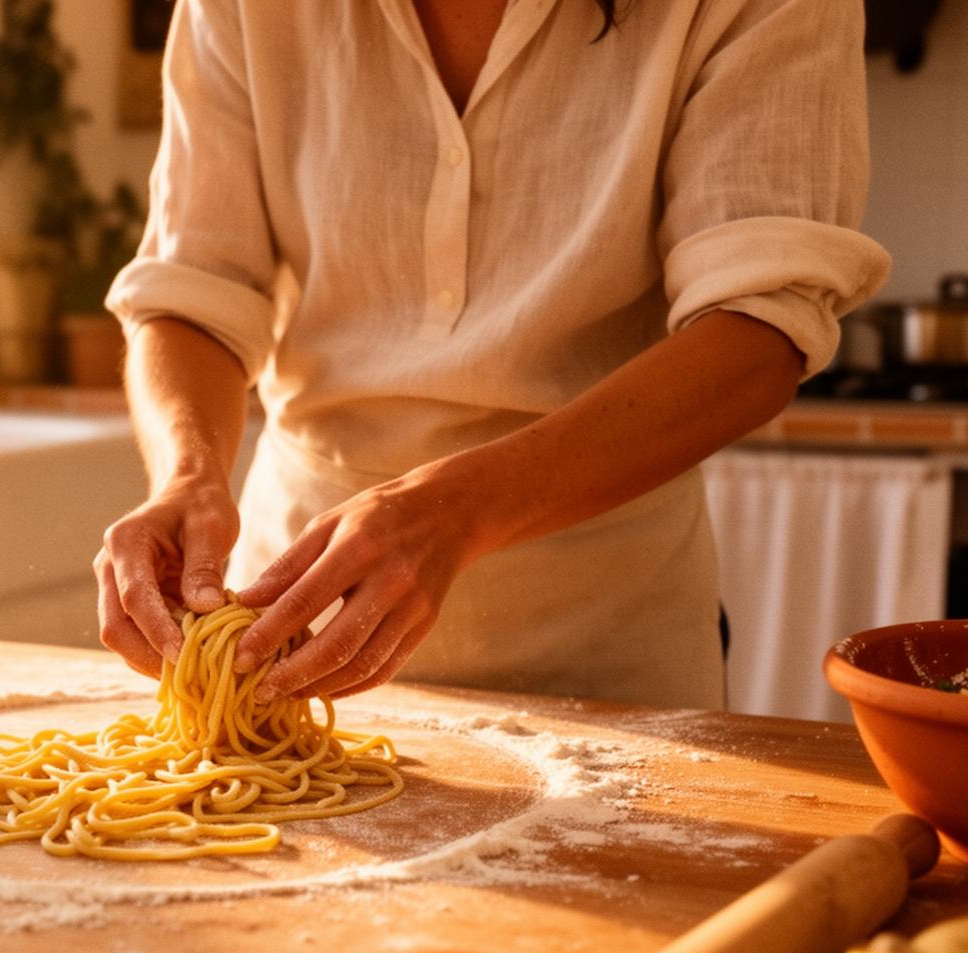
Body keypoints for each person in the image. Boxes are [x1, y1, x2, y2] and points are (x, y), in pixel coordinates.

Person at [96, 0, 889, 710]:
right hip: (292, 636)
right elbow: (195, 287)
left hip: (608, 652)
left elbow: (757, 330)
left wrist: (455, 510)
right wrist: (188, 474)